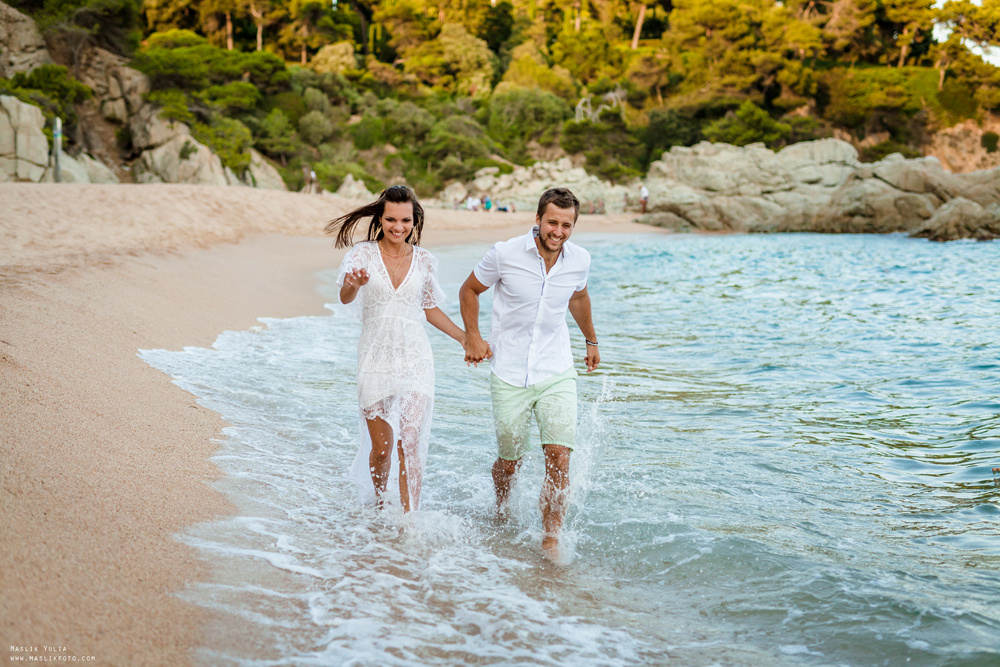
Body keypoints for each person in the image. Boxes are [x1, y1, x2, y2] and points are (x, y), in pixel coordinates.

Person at [459, 187, 600, 561]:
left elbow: (578, 297)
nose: (558, 231)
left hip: (556, 370)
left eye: (566, 225)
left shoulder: (579, 260)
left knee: (559, 456)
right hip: (507, 372)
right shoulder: (505, 253)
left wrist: (591, 340)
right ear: (537, 220)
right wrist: (472, 336)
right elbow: (470, 290)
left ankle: (551, 539)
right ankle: (502, 506)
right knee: (510, 460)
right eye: (552, 222)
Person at [326, 185, 465, 512]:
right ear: (381, 218)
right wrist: (353, 283)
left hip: (415, 359)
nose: (398, 227)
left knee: (409, 440)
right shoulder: (361, 255)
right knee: (382, 449)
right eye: (391, 219)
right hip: (374, 359)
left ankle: (409, 522)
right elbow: (345, 296)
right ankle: (378, 503)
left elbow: (429, 309)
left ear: (414, 221)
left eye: (405, 220)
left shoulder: (425, 261)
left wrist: (464, 337)